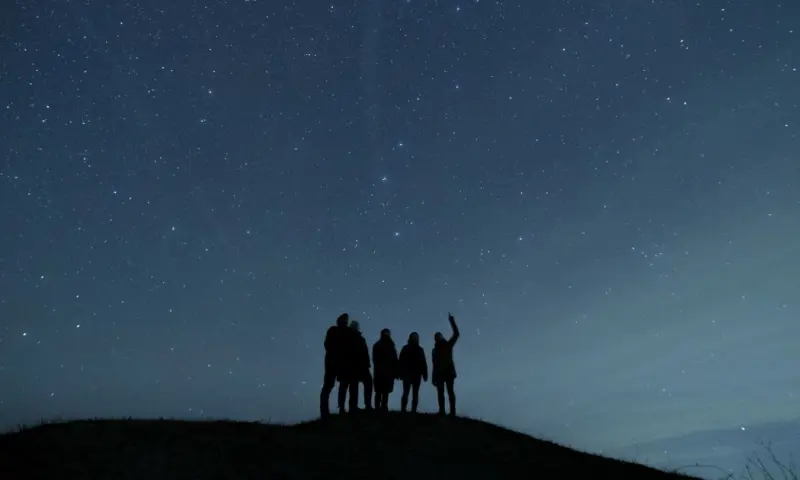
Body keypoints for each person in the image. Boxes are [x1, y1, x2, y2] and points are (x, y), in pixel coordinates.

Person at [320, 313, 351, 418]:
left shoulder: (335, 330)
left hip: (336, 362)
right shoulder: (340, 331)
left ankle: (331, 411)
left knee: (336, 386)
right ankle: (335, 410)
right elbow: (328, 345)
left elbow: (327, 345)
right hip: (335, 362)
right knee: (333, 386)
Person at [339, 319, 373, 411]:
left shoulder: (359, 339)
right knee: (353, 386)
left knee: (363, 384)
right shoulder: (347, 338)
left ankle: (364, 405)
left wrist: (367, 364)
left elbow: (365, 352)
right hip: (352, 365)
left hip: (361, 366)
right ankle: (353, 407)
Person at [431, 313, 460, 416]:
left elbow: (456, 334)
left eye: (439, 336)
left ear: (442, 337)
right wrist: (433, 377)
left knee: (450, 392)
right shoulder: (434, 351)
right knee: (440, 393)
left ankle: (452, 412)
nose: (438, 338)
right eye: (436, 337)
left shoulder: (447, 345)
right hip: (439, 373)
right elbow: (434, 364)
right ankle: (442, 411)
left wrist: (452, 321)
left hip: (448, 371)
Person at [398, 331, 428, 413]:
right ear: (411, 338)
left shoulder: (420, 350)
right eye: (414, 337)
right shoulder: (405, 348)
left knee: (415, 393)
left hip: (417, 375)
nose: (415, 339)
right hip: (407, 374)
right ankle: (403, 409)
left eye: (416, 337)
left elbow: (423, 362)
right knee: (406, 392)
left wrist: (425, 374)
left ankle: (413, 411)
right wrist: (400, 373)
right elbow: (400, 361)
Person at [372, 328, 399, 412]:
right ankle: (382, 407)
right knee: (384, 391)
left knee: (381, 391)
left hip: (382, 372)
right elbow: (394, 359)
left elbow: (394, 359)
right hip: (385, 372)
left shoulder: (379, 345)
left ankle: (380, 408)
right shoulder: (390, 345)